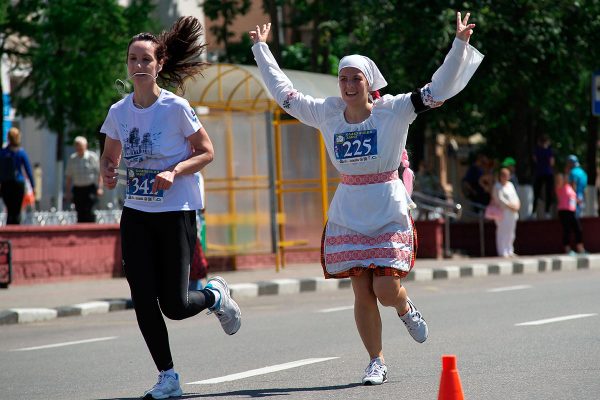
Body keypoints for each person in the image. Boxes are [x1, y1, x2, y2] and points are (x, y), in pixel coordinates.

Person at [250, 11, 483, 386]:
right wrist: (262, 50)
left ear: (367, 81)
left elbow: (437, 89)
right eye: (342, 78)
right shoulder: (327, 113)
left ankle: (405, 308)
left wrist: (459, 45)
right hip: (349, 212)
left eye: (355, 77)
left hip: (388, 209)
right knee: (361, 290)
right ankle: (376, 360)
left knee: (385, 288)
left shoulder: (394, 110)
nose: (347, 84)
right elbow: (285, 95)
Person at [99, 16, 241, 400]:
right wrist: (108, 171)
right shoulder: (119, 112)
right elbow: (109, 156)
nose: (139, 66)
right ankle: (168, 377)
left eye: (146, 59)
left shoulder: (176, 107)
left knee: (175, 306)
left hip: (176, 212)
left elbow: (206, 151)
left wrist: (175, 170)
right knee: (142, 297)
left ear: (159, 65)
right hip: (136, 214)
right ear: (127, 65)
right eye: (133, 59)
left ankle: (214, 297)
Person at [0, 127, 35, 224]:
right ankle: (16, 233)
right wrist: (33, 186)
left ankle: (8, 232)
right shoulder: (21, 152)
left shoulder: (2, 153)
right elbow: (28, 170)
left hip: (6, 184)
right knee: (17, 211)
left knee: (9, 210)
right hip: (18, 184)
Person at [65, 136, 103, 222]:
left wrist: (100, 188)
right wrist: (68, 192)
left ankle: (92, 233)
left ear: (85, 146)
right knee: (79, 212)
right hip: (78, 190)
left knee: (90, 211)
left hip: (90, 189)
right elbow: (68, 177)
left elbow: (99, 173)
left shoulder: (92, 157)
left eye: (81, 146)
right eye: (77, 146)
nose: (79, 148)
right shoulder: (72, 159)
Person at [492, 168, 520, 258]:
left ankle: (509, 250)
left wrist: (517, 205)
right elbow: (500, 200)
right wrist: (511, 206)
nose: (506, 177)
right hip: (503, 212)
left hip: (512, 212)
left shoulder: (510, 185)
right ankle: (502, 251)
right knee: (502, 231)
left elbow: (515, 197)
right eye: (504, 175)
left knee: (511, 232)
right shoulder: (497, 186)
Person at [555, 172, 586, 255]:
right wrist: (565, 176)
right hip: (564, 211)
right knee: (567, 230)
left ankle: (580, 248)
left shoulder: (570, 188)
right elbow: (560, 180)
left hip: (572, 211)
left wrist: (579, 201)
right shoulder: (560, 187)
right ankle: (567, 249)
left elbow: (574, 199)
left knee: (578, 229)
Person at [532, 135, 555, 218]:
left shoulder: (536, 150)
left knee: (536, 193)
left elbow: (535, 160)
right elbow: (552, 162)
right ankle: (547, 212)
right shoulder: (549, 151)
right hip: (548, 173)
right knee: (549, 192)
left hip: (539, 173)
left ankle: (534, 212)